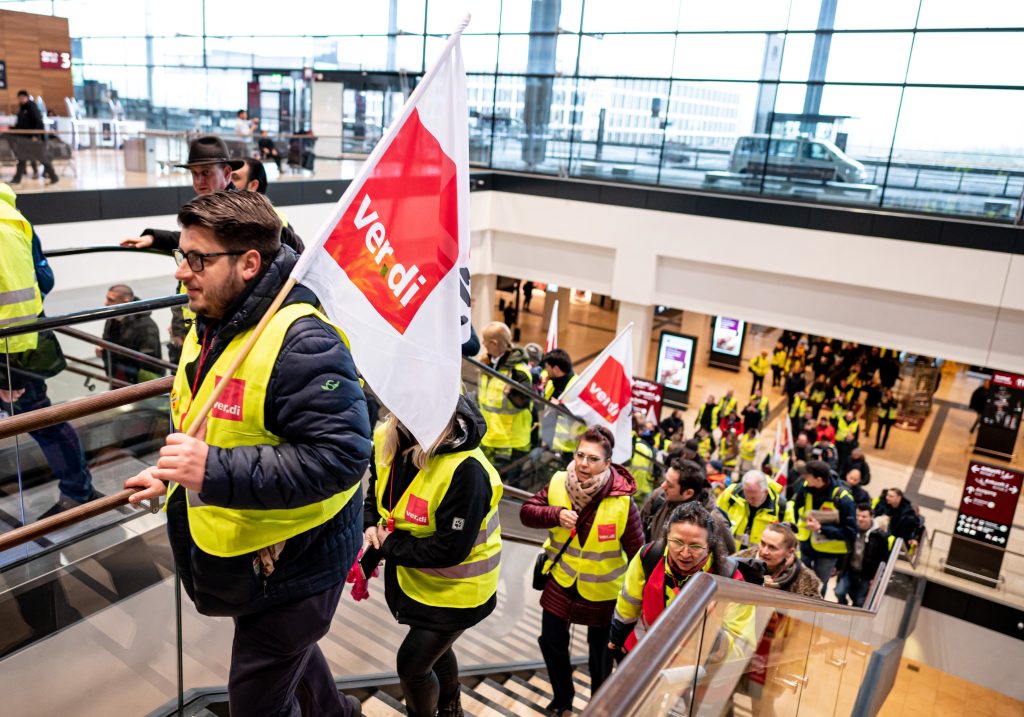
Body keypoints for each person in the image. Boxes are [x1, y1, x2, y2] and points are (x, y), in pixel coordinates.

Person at [123, 190, 370, 717]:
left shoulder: (304, 342)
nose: (181, 272)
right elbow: (207, 421)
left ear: (250, 263)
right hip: (252, 558)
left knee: (255, 703)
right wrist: (170, 477)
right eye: (180, 256)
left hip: (298, 562)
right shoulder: (214, 320)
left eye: (198, 260)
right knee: (292, 656)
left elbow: (342, 456)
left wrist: (209, 470)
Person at [363, 396, 502, 717]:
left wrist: (388, 546)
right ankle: (451, 707)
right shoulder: (387, 434)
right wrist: (370, 522)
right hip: (416, 583)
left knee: (412, 666)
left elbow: (450, 548)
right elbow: (377, 488)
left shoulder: (468, 471)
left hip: (460, 593)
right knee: (437, 653)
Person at [520, 426, 644, 717]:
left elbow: (638, 553)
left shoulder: (622, 500)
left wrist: (634, 600)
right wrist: (553, 514)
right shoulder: (558, 482)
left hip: (603, 591)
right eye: (580, 455)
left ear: (608, 463)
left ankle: (599, 706)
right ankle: (563, 699)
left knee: (600, 654)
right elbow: (527, 512)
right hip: (561, 579)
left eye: (593, 459)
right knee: (550, 641)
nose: (584, 464)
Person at [1, 183, 98, 517]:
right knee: (43, 422)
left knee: (44, 422)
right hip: (16, 349)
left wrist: (5, 369)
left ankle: (79, 491)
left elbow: (14, 302)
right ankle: (79, 489)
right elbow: (43, 277)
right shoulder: (13, 217)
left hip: (10, 353)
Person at [609, 502, 752, 657]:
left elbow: (741, 645)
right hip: (644, 654)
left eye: (695, 546)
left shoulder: (730, 580)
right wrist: (618, 637)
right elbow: (629, 601)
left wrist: (711, 631)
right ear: (666, 537)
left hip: (688, 669)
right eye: (677, 542)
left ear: (710, 546)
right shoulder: (649, 556)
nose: (684, 553)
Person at [121, 136, 244, 252]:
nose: (198, 181)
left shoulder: (240, 210)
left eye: (206, 172)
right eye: (194, 173)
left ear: (227, 173)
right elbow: (196, 239)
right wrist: (154, 238)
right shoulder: (210, 203)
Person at [791, 460, 856, 597]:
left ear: (818, 479)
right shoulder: (806, 487)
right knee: (799, 579)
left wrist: (821, 528)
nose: (804, 479)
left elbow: (850, 532)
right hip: (806, 542)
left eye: (807, 476)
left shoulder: (843, 499)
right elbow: (797, 508)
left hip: (827, 551)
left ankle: (813, 611)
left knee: (819, 585)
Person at [478, 322, 534, 477]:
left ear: (494, 343)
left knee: (502, 486)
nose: (483, 344)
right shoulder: (489, 363)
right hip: (490, 436)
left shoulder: (518, 371)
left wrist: (512, 392)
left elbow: (525, 402)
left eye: (485, 340)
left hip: (509, 442)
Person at [641, 458, 734, 551]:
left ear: (688, 493)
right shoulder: (659, 496)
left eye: (670, 485)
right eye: (665, 480)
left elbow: (726, 556)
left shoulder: (714, 520)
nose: (663, 486)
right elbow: (639, 532)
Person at [230, 158, 306, 252]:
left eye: (235, 178)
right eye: (227, 176)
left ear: (253, 185)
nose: (228, 182)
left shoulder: (274, 223)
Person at [98, 284, 163, 384]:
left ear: (125, 301)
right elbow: (106, 339)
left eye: (111, 300)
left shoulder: (146, 326)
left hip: (137, 381)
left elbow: (148, 361)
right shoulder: (112, 319)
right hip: (118, 375)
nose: (106, 303)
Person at [736, 523, 822, 598]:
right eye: (762, 543)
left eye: (772, 547)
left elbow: (812, 614)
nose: (764, 551)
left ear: (790, 552)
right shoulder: (738, 561)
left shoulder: (807, 582)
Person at [835, 505, 892, 607]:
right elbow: (843, 549)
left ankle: (852, 619)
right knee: (839, 591)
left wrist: (877, 576)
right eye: (858, 515)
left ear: (871, 516)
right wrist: (838, 566)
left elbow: (883, 558)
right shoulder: (851, 529)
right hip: (849, 569)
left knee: (859, 601)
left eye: (864, 516)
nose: (860, 519)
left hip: (866, 575)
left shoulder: (880, 536)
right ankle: (842, 608)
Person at [717, 470, 787, 552]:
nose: (749, 500)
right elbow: (715, 519)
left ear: (766, 492)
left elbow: (788, 541)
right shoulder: (731, 494)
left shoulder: (781, 508)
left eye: (753, 498)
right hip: (727, 553)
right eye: (746, 495)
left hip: (759, 560)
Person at [542, 348, 584, 464]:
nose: (546, 371)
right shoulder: (552, 382)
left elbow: (583, 415)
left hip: (568, 450)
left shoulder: (578, 387)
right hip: (549, 444)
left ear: (556, 369)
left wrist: (561, 408)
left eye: (547, 368)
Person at [9, 90, 58, 185]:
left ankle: (54, 176)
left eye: (22, 98)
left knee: (42, 158)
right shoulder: (22, 108)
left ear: (26, 97)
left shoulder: (31, 107)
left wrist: (35, 135)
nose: (21, 100)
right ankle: (17, 179)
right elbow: (22, 124)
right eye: (19, 98)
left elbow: (39, 122)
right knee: (22, 159)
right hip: (24, 139)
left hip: (32, 140)